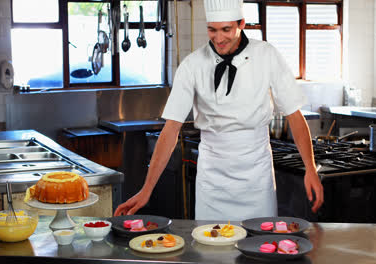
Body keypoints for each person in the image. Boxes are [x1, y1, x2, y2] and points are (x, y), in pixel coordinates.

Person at [114, 0, 323, 221]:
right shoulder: (192, 65)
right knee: (211, 247)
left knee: (258, 245)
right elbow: (171, 129)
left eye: (226, 29)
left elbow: (294, 114)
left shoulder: (266, 55)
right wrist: (146, 189)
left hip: (256, 177)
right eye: (212, 30)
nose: (219, 38)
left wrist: (310, 167)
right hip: (212, 180)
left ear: (241, 23)